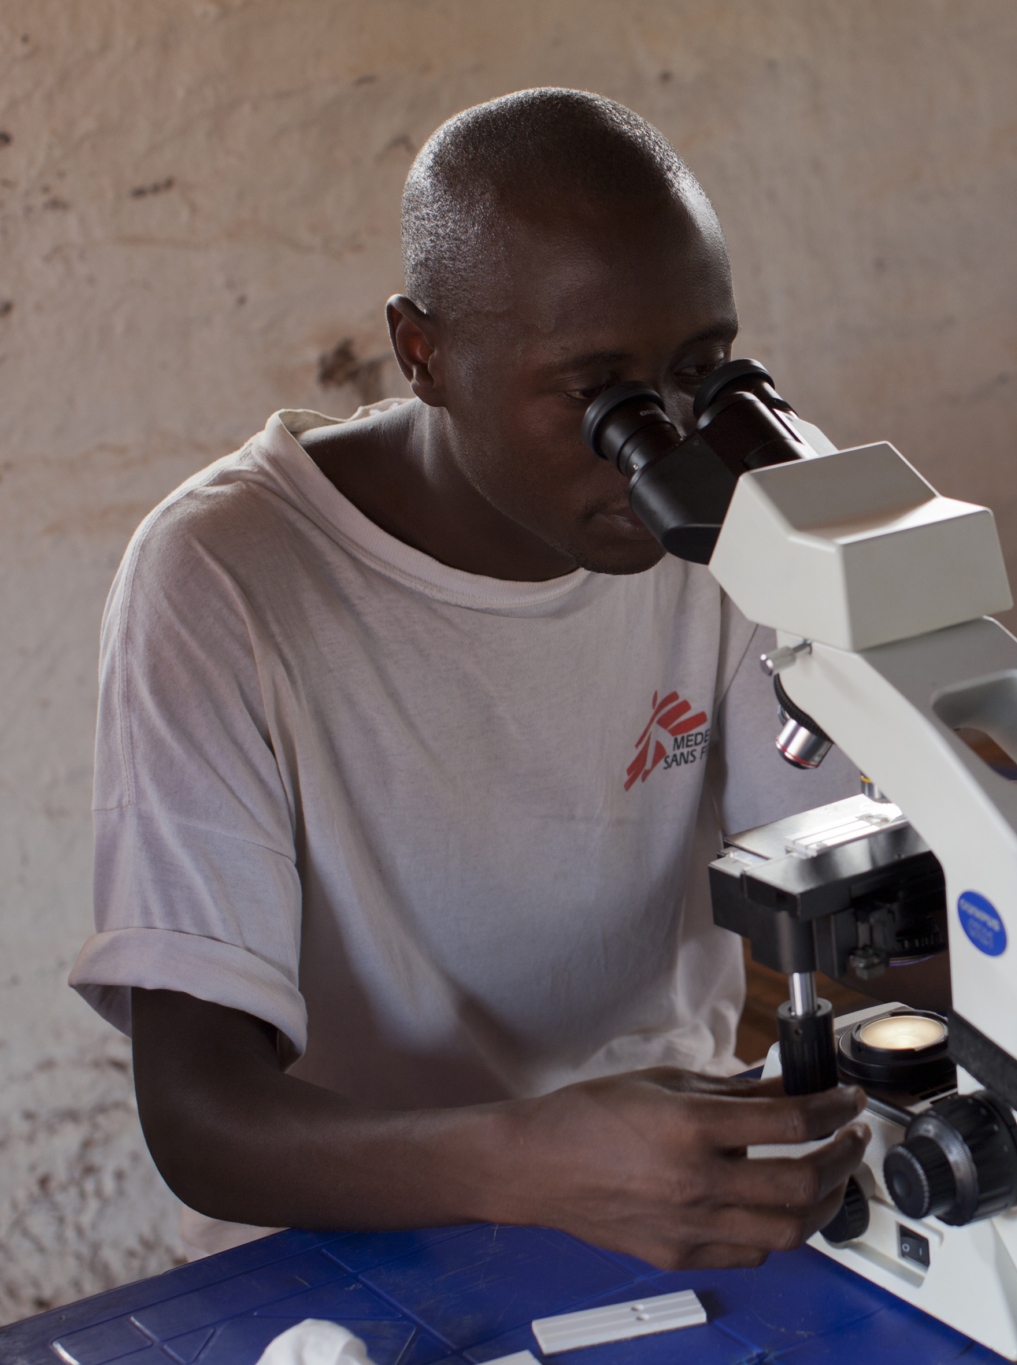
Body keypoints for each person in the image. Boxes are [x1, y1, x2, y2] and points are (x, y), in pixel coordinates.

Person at [69, 89, 878, 1271]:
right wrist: (531, 1165)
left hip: (681, 1188)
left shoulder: (716, 517)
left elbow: (867, 904)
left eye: (698, 369)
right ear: (424, 354)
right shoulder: (221, 578)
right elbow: (201, 1121)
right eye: (599, 395)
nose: (663, 442)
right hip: (357, 1237)